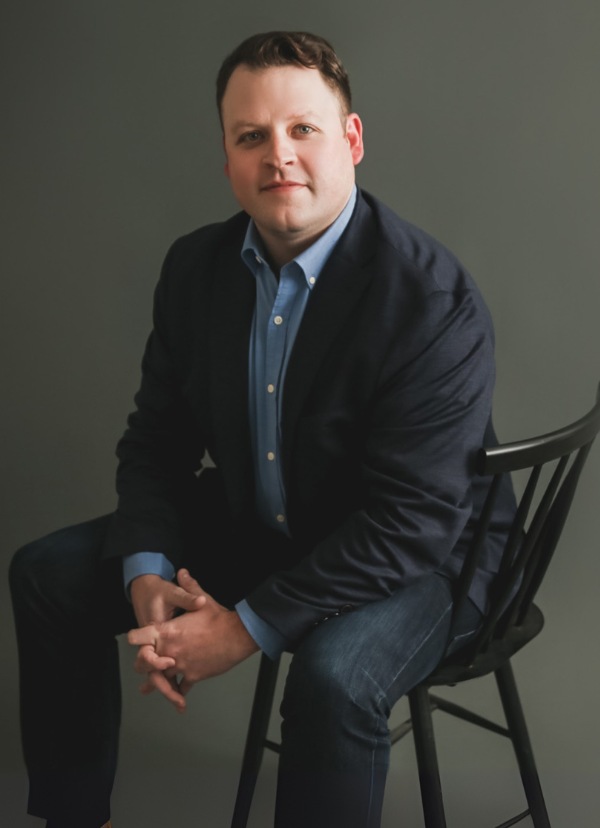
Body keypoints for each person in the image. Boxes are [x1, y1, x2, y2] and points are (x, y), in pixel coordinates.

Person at [9, 30, 516, 828]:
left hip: (426, 558)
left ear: (351, 139)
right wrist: (147, 574)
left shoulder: (429, 299)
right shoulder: (194, 270)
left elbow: (412, 523)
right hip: (272, 518)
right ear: (228, 159)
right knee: (48, 574)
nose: (277, 155)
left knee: (330, 676)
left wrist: (244, 628)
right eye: (251, 137)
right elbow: (156, 444)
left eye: (302, 129)